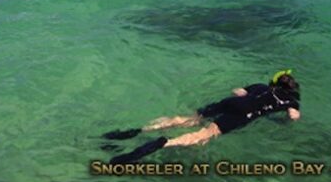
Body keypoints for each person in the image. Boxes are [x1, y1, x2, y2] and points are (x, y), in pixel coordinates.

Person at [104, 70, 301, 164]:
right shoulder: (291, 101)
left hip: (229, 103)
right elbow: (293, 117)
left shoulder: (260, 86)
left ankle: (138, 131)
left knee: (189, 119)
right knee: (202, 136)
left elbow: (237, 91)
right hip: (243, 114)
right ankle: (165, 143)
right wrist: (281, 117)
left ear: (273, 82)